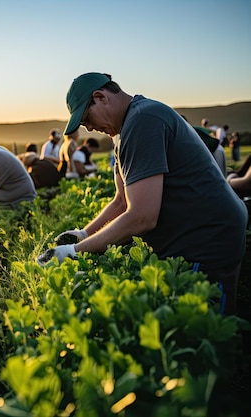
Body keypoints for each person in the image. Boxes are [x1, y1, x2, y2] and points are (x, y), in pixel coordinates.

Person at [38, 72, 247, 315]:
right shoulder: (122, 133)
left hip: (207, 237)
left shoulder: (143, 120)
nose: (91, 129)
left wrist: (75, 253)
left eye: (87, 120)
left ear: (100, 97)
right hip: (193, 233)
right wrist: (83, 234)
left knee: (204, 327)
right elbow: (121, 201)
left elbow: (141, 216)